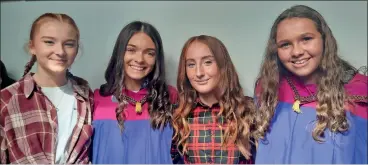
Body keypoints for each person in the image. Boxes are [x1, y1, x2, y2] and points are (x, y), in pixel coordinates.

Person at [253, 5, 367, 164]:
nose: (296, 51)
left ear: (325, 40)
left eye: (306, 39)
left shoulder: (360, 93)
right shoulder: (268, 91)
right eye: (285, 44)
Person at [0, 13, 93, 164]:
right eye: (49, 42)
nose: (60, 51)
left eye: (69, 44)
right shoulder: (6, 100)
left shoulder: (86, 95)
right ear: (32, 46)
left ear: (77, 49)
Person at [92, 21, 179, 164]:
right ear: (120, 52)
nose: (139, 59)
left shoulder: (169, 97)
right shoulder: (97, 99)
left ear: (156, 58)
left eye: (149, 53)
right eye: (131, 50)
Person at [172, 35, 255, 164]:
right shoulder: (179, 115)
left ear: (223, 65)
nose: (199, 72)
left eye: (208, 62)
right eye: (191, 64)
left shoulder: (247, 110)